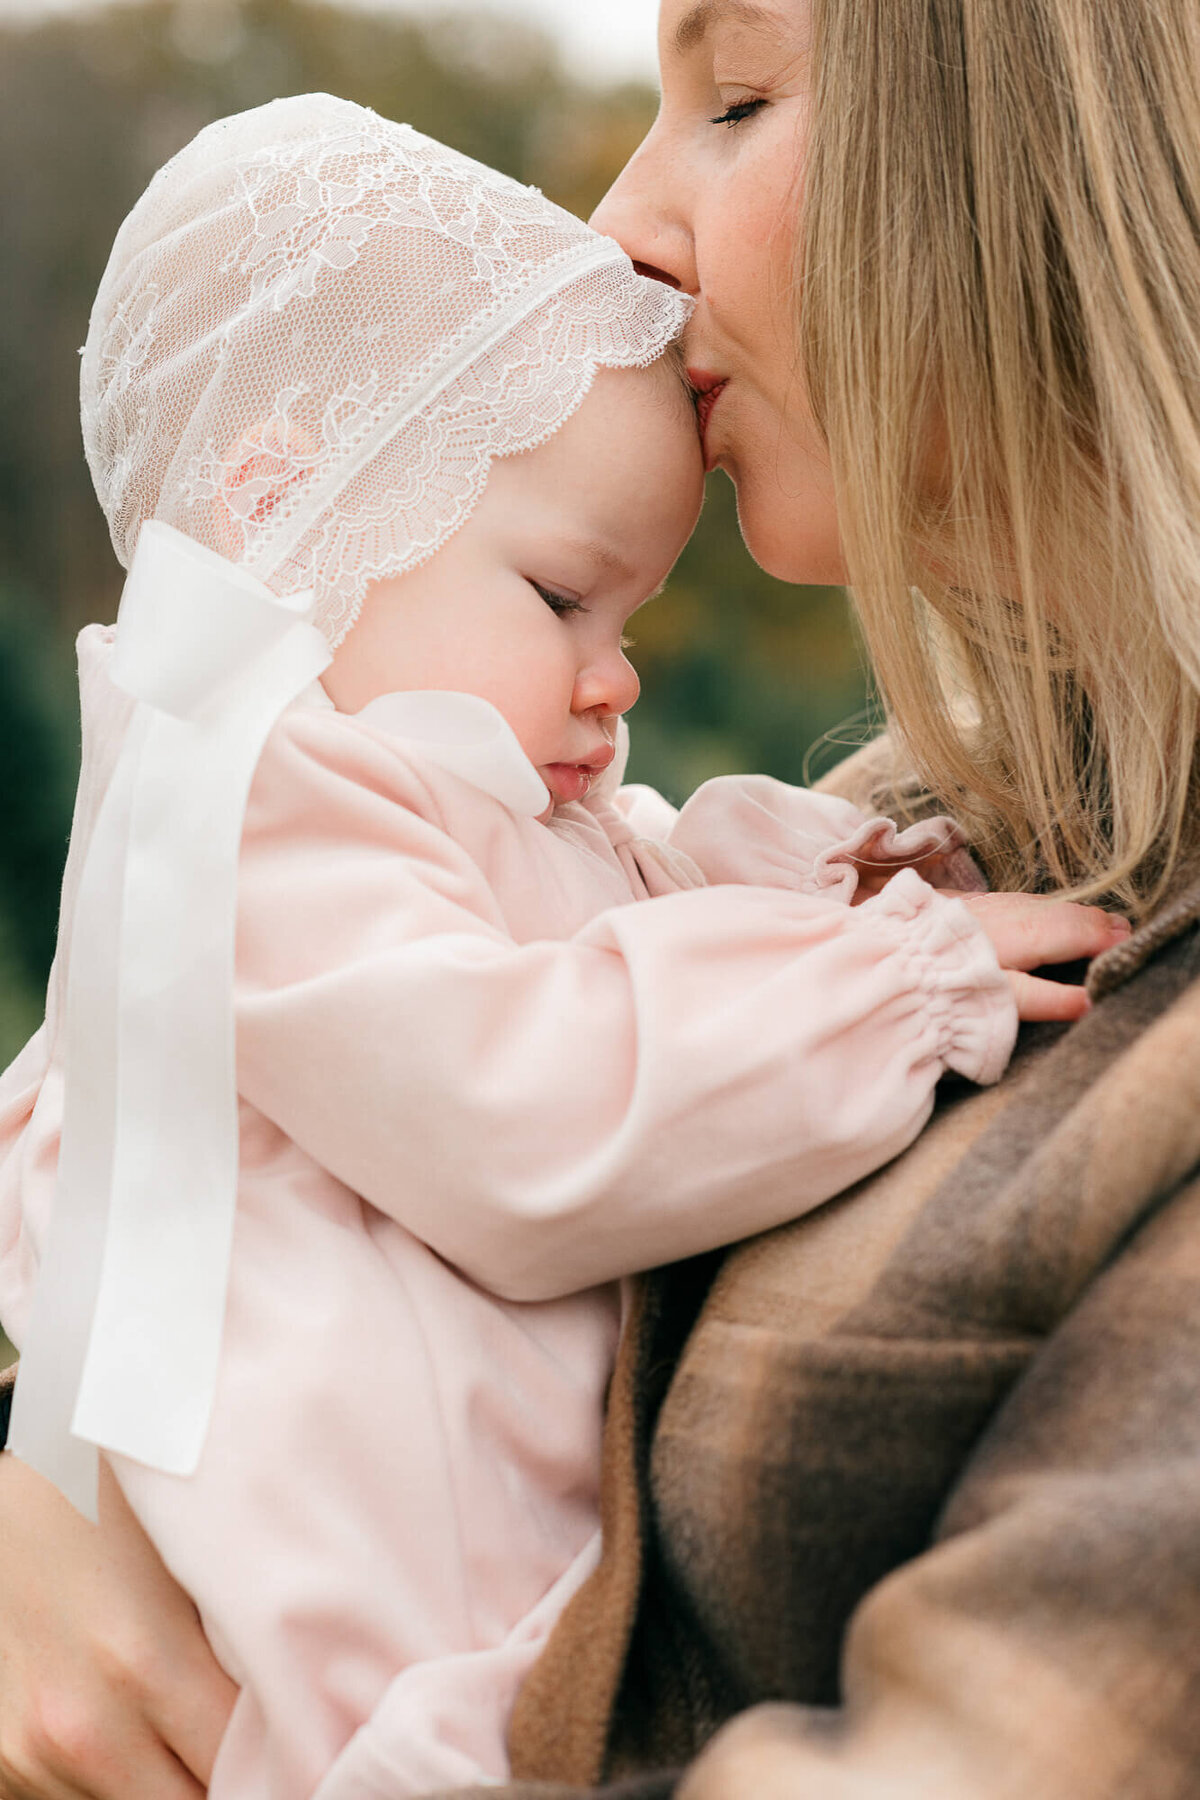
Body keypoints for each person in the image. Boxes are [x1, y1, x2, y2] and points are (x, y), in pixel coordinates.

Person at [0, 91, 1118, 1800]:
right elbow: (527, 1103)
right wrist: (900, 979)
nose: (619, 680)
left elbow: (655, 918)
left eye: (631, 615)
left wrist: (859, 880)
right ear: (288, 504)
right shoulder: (245, 805)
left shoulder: (454, 807)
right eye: (559, 600)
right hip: (347, 1628)